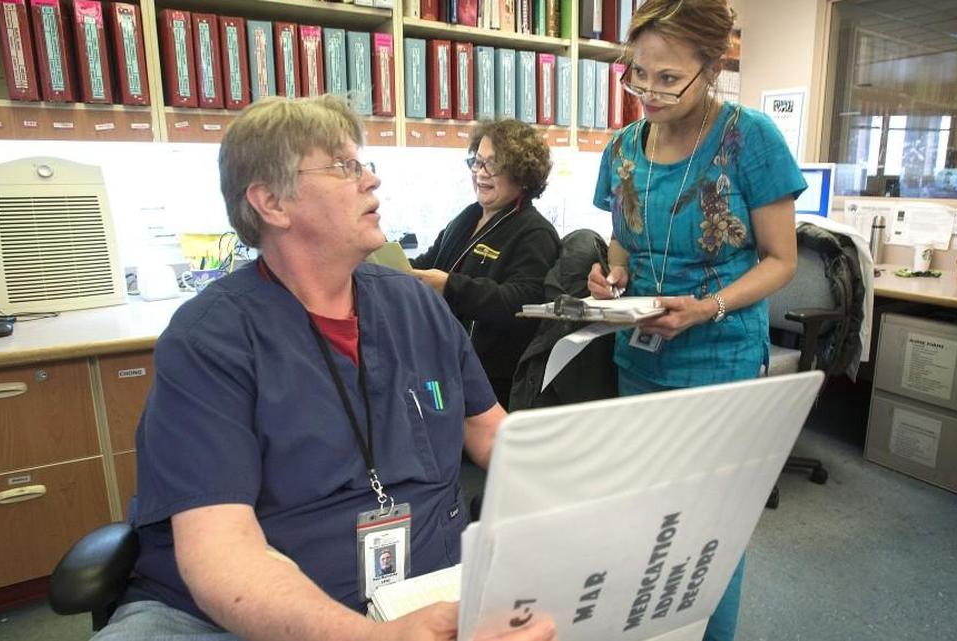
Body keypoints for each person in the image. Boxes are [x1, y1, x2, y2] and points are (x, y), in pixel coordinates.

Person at [93, 96, 555, 641]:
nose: (372, 181)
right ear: (271, 202)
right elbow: (222, 552)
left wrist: (592, 500)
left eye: (364, 163)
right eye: (345, 166)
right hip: (244, 614)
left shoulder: (416, 306)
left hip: (428, 591)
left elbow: (491, 432)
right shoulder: (210, 341)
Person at [588, 1, 805, 640]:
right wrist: (613, 278)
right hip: (642, 352)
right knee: (649, 520)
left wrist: (708, 307)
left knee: (708, 527)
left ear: (711, 67)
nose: (647, 93)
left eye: (666, 78)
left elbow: (782, 260)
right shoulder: (624, 146)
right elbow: (623, 236)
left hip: (720, 354)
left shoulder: (749, 137)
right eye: (637, 74)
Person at [411, 119, 561, 409]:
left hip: (491, 381)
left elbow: (523, 301)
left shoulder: (534, 232)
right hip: (445, 364)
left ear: (522, 173)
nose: (480, 173)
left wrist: (448, 286)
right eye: (477, 162)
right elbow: (431, 260)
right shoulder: (468, 216)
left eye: (493, 165)